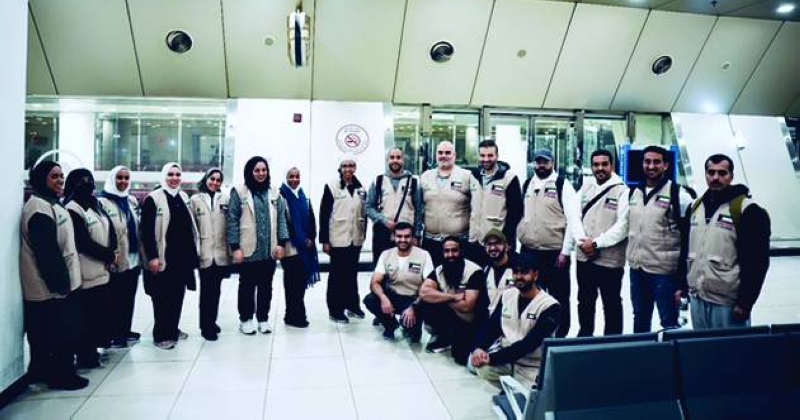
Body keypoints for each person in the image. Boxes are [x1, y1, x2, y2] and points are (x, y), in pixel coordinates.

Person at [681, 154, 770, 329]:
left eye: (722, 173)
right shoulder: (695, 207)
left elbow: (758, 262)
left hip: (728, 302)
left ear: (731, 176)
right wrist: (682, 287)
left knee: (730, 346)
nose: (716, 177)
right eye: (711, 172)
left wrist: (745, 302)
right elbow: (685, 249)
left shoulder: (748, 210)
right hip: (698, 296)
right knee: (701, 345)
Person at [20, 161, 88, 390]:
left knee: (54, 334)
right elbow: (47, 252)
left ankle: (45, 372)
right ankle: (61, 376)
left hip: (57, 285)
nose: (60, 180)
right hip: (48, 288)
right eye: (54, 176)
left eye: (61, 176)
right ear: (42, 179)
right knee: (58, 335)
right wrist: (61, 285)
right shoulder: (39, 209)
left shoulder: (52, 204)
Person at [627, 146, 694, 333]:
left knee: (669, 323)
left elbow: (689, 238)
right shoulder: (634, 192)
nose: (651, 166)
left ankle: (670, 353)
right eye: (647, 161)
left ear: (666, 165)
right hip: (638, 270)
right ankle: (641, 351)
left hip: (665, 273)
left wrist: (683, 280)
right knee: (640, 318)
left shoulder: (679, 194)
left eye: (657, 162)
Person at [471, 253, 561, 390]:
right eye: (515, 272)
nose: (518, 276)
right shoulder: (507, 295)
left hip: (532, 364)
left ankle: (516, 389)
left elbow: (529, 344)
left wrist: (493, 358)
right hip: (508, 358)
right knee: (478, 365)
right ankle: (509, 388)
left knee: (529, 400)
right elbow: (492, 326)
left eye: (524, 272)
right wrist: (479, 347)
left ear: (535, 275)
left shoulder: (550, 306)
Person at [516, 149, 581, 337]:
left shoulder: (562, 185)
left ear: (552, 163)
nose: (541, 165)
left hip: (554, 253)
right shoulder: (528, 184)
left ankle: (560, 335)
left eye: (545, 162)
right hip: (530, 251)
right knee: (532, 294)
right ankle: (534, 334)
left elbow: (572, 220)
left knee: (559, 296)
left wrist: (565, 252)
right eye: (538, 162)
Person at [140, 163, 199, 349]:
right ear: (164, 176)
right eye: (171, 174)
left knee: (177, 296)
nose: (174, 178)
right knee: (162, 297)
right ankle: (161, 335)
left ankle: (172, 328)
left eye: (177, 175)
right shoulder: (153, 199)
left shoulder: (183, 197)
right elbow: (146, 232)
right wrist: (152, 257)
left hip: (182, 258)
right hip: (163, 257)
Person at [227, 156, 288, 335]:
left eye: (264, 170)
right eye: (257, 170)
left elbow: (282, 218)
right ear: (250, 172)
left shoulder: (274, 192)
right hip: (247, 249)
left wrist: (282, 243)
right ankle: (245, 319)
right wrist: (235, 247)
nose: (261, 173)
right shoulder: (239, 192)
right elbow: (232, 220)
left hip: (269, 249)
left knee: (266, 286)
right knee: (247, 286)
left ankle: (263, 319)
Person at [64, 168, 118, 368]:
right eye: (81, 181)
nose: (87, 184)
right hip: (86, 273)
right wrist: (109, 255)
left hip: (102, 272)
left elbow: (110, 229)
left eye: (89, 180)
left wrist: (112, 251)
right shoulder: (72, 209)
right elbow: (83, 242)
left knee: (98, 316)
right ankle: (85, 355)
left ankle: (93, 350)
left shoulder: (95, 205)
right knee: (86, 318)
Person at [573, 150, 629, 336]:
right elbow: (574, 217)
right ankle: (584, 338)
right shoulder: (586, 187)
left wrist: (596, 243)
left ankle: (612, 343)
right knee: (584, 301)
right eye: (596, 165)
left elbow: (623, 226)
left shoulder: (622, 191)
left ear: (612, 166)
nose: (600, 168)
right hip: (584, 258)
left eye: (604, 164)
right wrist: (583, 242)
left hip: (609, 261)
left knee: (611, 304)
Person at [418, 237, 486, 365]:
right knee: (425, 303)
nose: (450, 255)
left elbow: (467, 306)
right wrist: (451, 297)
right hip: (453, 312)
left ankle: (453, 338)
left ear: (461, 251)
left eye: (454, 250)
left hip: (471, 321)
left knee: (460, 357)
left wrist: (439, 298)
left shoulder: (474, 271)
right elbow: (423, 293)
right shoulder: (439, 270)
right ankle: (443, 336)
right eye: (446, 251)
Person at [363, 222, 433, 342]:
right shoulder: (386, 254)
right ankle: (390, 324)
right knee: (370, 299)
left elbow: (429, 287)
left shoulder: (424, 255)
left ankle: (409, 325)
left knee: (414, 337)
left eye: (407, 236)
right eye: (399, 236)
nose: (403, 240)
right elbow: (374, 282)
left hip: (414, 299)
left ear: (412, 237)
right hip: (393, 296)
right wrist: (383, 298)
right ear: (393, 237)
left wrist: (413, 307)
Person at [98, 166, 142, 348]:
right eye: (119, 178)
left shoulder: (130, 201)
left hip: (133, 257)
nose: (123, 181)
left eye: (126, 178)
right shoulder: (102, 202)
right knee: (115, 299)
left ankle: (125, 330)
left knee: (128, 297)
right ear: (112, 179)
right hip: (116, 259)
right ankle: (114, 334)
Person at [320, 157, 368, 323]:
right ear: (340, 168)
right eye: (345, 166)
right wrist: (325, 241)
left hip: (355, 239)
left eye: (351, 165)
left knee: (351, 274)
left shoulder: (361, 188)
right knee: (337, 276)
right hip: (337, 239)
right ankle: (335, 310)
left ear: (355, 168)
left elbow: (364, 214)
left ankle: (352, 305)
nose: (348, 169)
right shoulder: (332, 186)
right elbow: (324, 214)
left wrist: (363, 236)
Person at [418, 141, 481, 267]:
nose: (443, 156)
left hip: (459, 242)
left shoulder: (467, 176)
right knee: (433, 276)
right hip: (431, 242)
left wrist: (473, 238)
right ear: (436, 155)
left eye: (447, 153)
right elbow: (418, 207)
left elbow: (477, 208)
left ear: (454, 155)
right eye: (440, 153)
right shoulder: (426, 176)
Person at [191, 168, 231, 341]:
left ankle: (212, 321)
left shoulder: (226, 199)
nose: (215, 182)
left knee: (216, 291)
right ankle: (205, 326)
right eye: (212, 179)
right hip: (205, 253)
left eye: (218, 180)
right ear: (205, 179)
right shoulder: (195, 200)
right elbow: (192, 228)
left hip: (220, 253)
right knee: (206, 292)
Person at [279, 167, 320, 328]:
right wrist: (302, 240)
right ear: (286, 178)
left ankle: (292, 314)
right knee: (292, 284)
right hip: (290, 247)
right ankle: (295, 316)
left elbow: (312, 219)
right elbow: (283, 222)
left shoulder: (303, 196)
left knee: (300, 283)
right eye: (291, 176)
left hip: (306, 248)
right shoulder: (281, 196)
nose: (295, 179)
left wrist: (311, 238)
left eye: (297, 176)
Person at [470, 140, 523, 261]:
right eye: (482, 155)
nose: (486, 159)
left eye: (490, 155)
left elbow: (516, 211)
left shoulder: (509, 177)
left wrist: (507, 238)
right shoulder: (473, 176)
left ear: (497, 156)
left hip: (498, 242)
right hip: (476, 240)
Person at [366, 147, 421, 263]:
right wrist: (384, 221)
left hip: (406, 236)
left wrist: (416, 235)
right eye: (392, 157)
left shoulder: (414, 182)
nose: (395, 160)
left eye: (398, 157)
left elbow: (419, 211)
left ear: (403, 160)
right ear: (387, 160)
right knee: (382, 267)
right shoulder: (378, 181)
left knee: (406, 269)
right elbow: (368, 207)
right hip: (383, 234)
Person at [481, 228, 514, 315]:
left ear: (507, 246)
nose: (492, 248)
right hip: (490, 317)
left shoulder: (517, 268)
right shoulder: (485, 270)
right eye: (489, 244)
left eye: (497, 243)